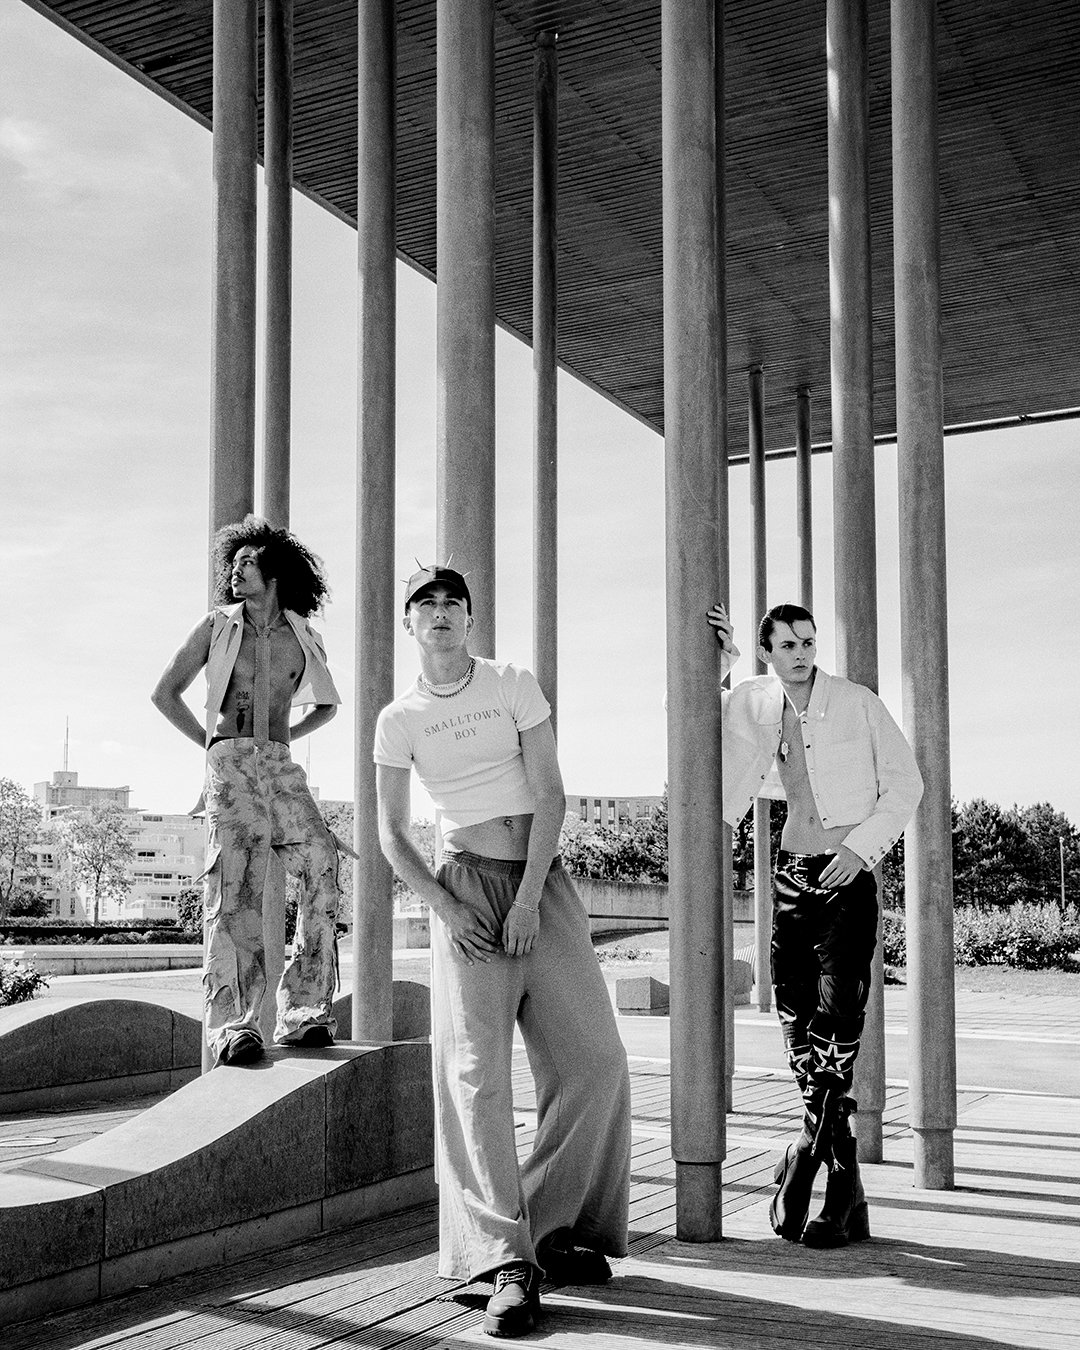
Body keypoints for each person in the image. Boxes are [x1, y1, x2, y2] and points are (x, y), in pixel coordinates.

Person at [375, 564, 631, 1338]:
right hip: (465, 893)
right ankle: (502, 1262)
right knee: (477, 1077)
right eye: (428, 605)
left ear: (472, 621)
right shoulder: (400, 718)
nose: (443, 614)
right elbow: (390, 832)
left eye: (455, 603)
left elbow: (549, 793)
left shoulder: (512, 683)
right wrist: (448, 907)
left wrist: (527, 901)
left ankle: (550, 1230)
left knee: (594, 1062)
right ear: (410, 625)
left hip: (540, 890)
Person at [707, 601, 922, 1248]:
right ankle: (847, 1184)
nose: (802, 651)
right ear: (769, 649)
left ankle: (807, 1152)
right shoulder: (751, 701)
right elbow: (696, 742)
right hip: (791, 881)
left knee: (839, 1027)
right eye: (789, 643)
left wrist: (860, 851)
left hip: (847, 880)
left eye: (809, 640)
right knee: (799, 1025)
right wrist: (718, 672)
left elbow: (905, 784)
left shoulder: (857, 702)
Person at [151, 515, 346, 1067]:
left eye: (246, 563)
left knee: (321, 860)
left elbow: (328, 704)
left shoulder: (303, 635)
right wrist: (211, 745)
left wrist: (286, 738)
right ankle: (234, 1024)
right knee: (236, 884)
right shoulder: (215, 626)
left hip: (279, 764)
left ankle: (305, 1009)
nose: (235, 572)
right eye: (231, 565)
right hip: (232, 760)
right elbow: (165, 693)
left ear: (274, 571)